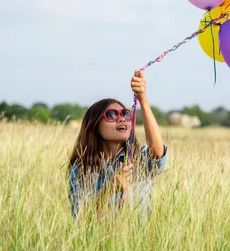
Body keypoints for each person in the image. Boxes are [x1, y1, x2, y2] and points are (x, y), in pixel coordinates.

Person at [67, 70, 168, 220]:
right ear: (95, 126)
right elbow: (79, 217)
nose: (121, 119)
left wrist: (143, 99)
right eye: (112, 115)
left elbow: (157, 152)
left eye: (125, 114)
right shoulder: (82, 167)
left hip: (137, 241)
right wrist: (109, 190)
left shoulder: (138, 159)